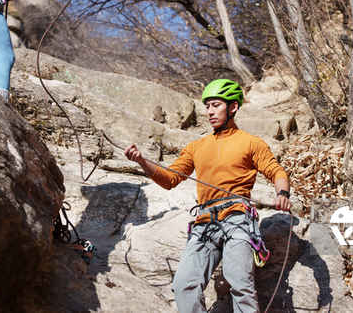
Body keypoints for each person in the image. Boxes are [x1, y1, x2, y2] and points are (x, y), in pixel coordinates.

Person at [124, 79, 291, 313]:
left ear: (233, 107)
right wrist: (142, 162)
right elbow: (170, 179)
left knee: (239, 282)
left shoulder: (251, 142)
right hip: (204, 223)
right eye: (207, 106)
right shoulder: (196, 147)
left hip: (238, 219)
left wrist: (282, 193)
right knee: (183, 284)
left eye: (215, 105)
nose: (209, 111)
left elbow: (277, 172)